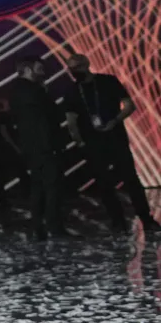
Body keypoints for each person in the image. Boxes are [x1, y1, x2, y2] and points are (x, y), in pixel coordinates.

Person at [64, 53, 159, 233]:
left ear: (86, 64)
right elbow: (71, 120)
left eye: (76, 67)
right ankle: (117, 222)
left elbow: (129, 105)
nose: (74, 71)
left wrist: (115, 121)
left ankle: (146, 219)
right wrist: (80, 142)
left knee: (131, 179)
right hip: (93, 143)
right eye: (71, 68)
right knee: (104, 183)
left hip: (116, 138)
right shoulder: (72, 90)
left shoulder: (108, 81)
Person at [7, 59, 69, 239]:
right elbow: (51, 115)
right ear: (27, 70)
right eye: (39, 69)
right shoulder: (34, 90)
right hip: (44, 145)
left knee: (38, 186)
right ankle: (54, 227)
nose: (43, 72)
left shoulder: (16, 90)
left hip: (31, 145)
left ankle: (38, 227)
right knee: (51, 186)